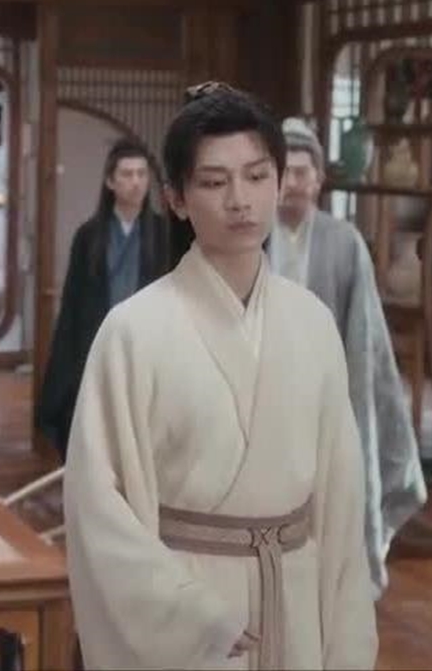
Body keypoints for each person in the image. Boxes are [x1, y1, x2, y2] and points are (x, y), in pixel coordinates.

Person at [63, 82, 377, 670]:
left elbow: (341, 498)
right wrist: (191, 615)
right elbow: (96, 506)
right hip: (191, 608)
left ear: (280, 182)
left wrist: (347, 637)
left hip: (296, 598)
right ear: (176, 199)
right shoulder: (133, 330)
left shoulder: (312, 323)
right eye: (213, 182)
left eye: (257, 176)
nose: (240, 201)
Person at [269, 117, 426, 598]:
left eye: (302, 172)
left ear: (319, 179)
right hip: (261, 398)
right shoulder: (250, 238)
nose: (293, 183)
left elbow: (364, 334)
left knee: (325, 509)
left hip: (325, 400)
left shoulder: (343, 241)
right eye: (283, 172)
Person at [36, 137, 168, 458]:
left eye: (142, 174)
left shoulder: (163, 232)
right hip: (98, 343)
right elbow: (73, 304)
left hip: (148, 346)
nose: (136, 182)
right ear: (111, 181)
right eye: (127, 174)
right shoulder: (89, 235)